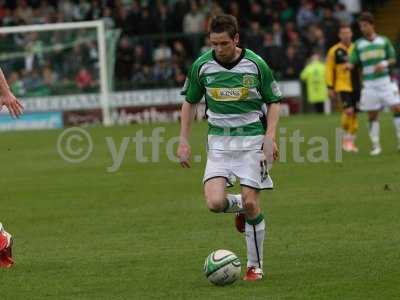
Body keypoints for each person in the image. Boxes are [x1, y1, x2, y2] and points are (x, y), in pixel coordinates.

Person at [177, 14, 281, 281]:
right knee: (214, 203)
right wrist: (184, 139)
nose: (219, 49)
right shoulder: (202, 66)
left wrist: (270, 136)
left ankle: (254, 266)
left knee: (252, 202)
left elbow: (274, 100)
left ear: (236, 39)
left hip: (251, 142)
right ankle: (239, 207)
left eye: (224, 43)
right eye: (214, 44)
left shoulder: (255, 64)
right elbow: (189, 102)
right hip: (219, 145)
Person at [349, 12, 400, 155]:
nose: (363, 29)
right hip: (370, 85)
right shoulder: (359, 44)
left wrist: (384, 63)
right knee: (372, 115)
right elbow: (353, 61)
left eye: (365, 25)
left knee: (397, 108)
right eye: (361, 26)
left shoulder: (383, 41)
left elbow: (392, 59)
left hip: (385, 82)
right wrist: (349, 65)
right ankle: (376, 146)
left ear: (372, 25)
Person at [326, 24, 360, 152]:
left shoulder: (357, 48)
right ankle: (346, 139)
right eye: (343, 33)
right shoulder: (334, 51)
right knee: (349, 111)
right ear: (339, 35)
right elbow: (329, 69)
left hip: (357, 85)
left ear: (351, 34)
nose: (346, 35)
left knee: (355, 113)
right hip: (342, 85)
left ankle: (350, 141)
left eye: (348, 33)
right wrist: (330, 86)